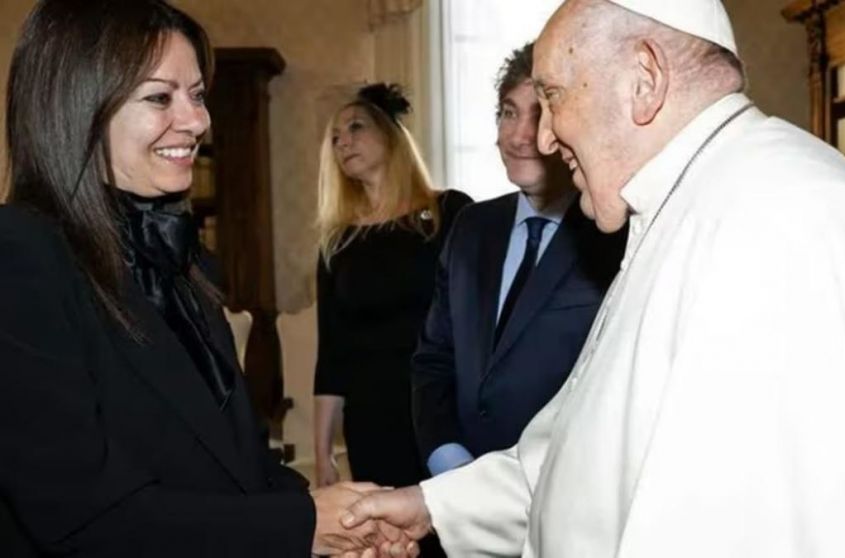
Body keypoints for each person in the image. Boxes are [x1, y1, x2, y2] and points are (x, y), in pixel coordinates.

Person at [340, 0, 845, 556]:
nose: (541, 140)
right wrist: (432, 508)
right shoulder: (682, 208)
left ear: (644, 81)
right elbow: (585, 458)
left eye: (554, 97)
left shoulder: (786, 223)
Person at [0, 1, 411, 556]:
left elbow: (237, 459)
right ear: (76, 107)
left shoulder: (188, 265)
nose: (199, 121)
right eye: (159, 97)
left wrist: (343, 522)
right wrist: (302, 524)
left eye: (196, 95)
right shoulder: (20, 254)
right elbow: (77, 514)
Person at [412, 42, 625, 477]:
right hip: (459, 500)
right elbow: (433, 360)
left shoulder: (614, 234)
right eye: (509, 113)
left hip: (566, 493)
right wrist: (451, 463)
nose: (520, 136)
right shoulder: (470, 227)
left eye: (539, 114)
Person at [311, 84, 472, 490]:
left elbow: (483, 318)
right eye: (335, 139)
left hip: (442, 405)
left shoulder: (449, 213)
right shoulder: (337, 243)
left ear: (391, 134)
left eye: (355, 128)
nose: (343, 143)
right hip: (371, 417)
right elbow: (331, 355)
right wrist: (323, 454)